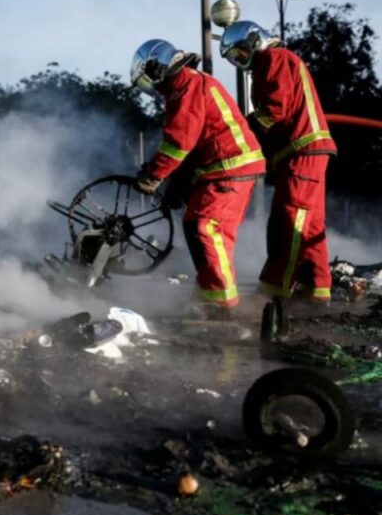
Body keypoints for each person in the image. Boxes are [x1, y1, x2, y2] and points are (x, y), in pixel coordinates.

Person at [131, 39, 266, 317]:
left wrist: (153, 177)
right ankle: (208, 292)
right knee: (195, 224)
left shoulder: (186, 85)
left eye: (150, 82)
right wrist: (177, 183)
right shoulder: (190, 83)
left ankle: (221, 306)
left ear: (158, 68)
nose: (154, 90)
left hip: (231, 166)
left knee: (207, 227)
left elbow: (178, 143)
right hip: (222, 168)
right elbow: (192, 145)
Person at [220, 20, 337, 303]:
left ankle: (276, 289)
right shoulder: (273, 64)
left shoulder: (276, 58)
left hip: (302, 152)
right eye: (235, 59)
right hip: (301, 153)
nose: (241, 62)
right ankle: (317, 289)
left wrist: (242, 130)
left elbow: (275, 109)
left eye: (240, 54)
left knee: (289, 219)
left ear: (253, 41)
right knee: (310, 225)